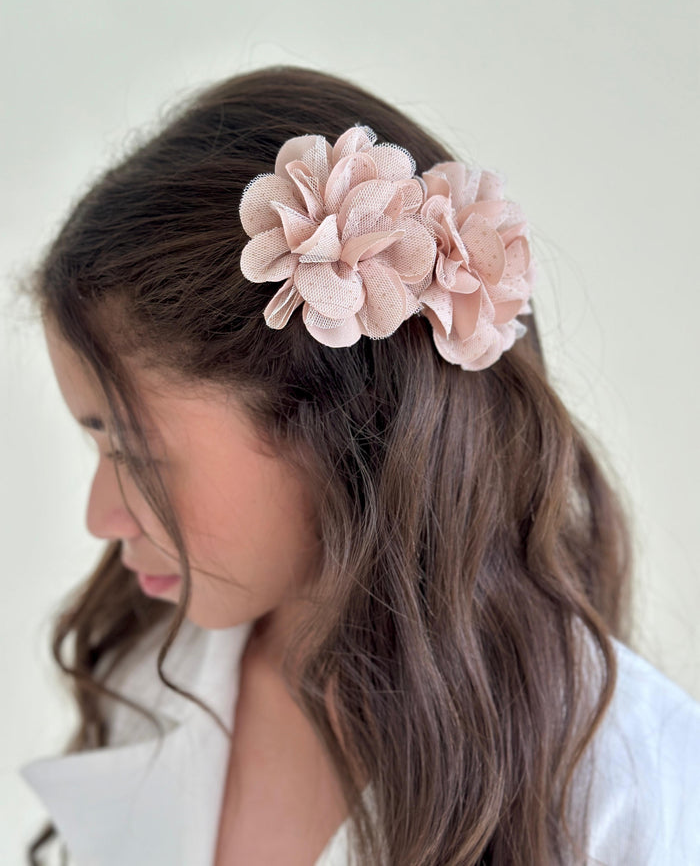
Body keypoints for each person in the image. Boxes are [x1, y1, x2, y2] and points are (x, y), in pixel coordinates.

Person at [18, 64, 700, 866]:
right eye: (96, 446)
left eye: (135, 453)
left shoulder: (632, 788)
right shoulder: (148, 667)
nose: (100, 516)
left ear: (336, 427)